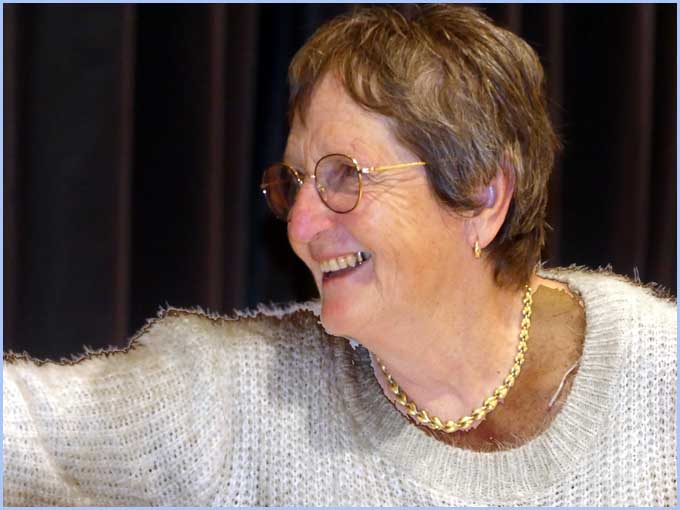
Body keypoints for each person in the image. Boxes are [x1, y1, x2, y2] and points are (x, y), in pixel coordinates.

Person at [3, 5, 676, 507]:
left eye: (345, 176)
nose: (300, 224)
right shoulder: (238, 401)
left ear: (481, 196)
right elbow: (26, 429)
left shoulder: (657, 376)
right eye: (295, 181)